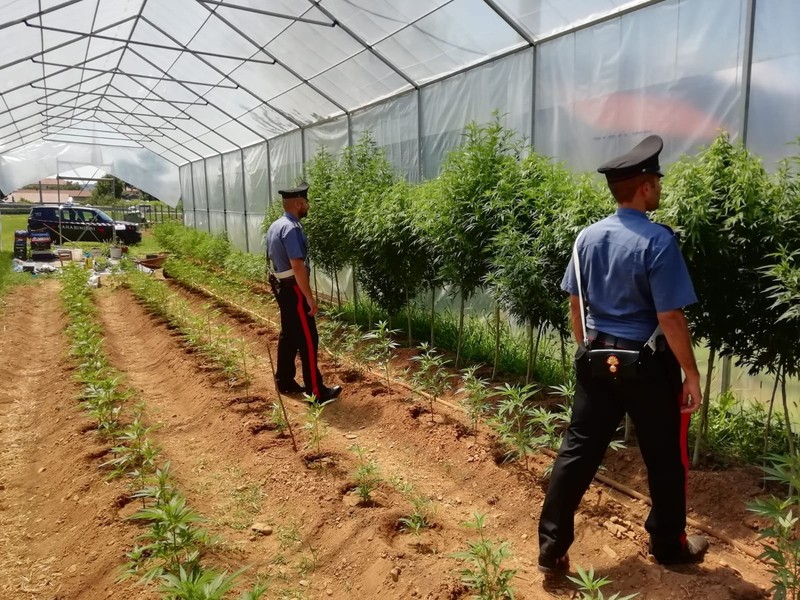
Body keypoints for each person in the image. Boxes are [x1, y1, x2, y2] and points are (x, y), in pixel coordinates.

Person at [538, 135, 708, 574]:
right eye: (657, 181)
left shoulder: (586, 239)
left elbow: (574, 303)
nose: (659, 188)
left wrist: (585, 345)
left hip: (597, 361)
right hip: (647, 367)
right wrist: (690, 372)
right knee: (664, 458)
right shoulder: (658, 242)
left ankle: (552, 546)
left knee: (577, 453)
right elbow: (669, 316)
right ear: (646, 187)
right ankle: (669, 546)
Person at [266, 182, 342, 402]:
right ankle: (316, 392)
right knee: (308, 339)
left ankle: (285, 380)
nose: (308, 206)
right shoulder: (292, 229)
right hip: (293, 289)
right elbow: (297, 265)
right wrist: (309, 297)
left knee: (288, 335)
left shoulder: (276, 225)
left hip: (281, 287)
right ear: (299, 203)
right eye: (306, 202)